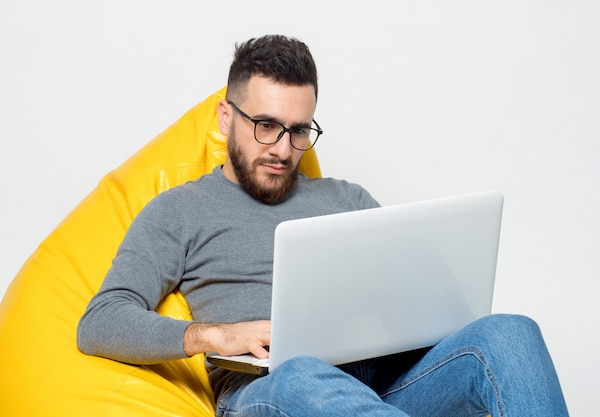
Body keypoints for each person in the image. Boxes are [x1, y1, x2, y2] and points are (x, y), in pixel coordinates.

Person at [77, 34, 569, 417]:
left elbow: (427, 298)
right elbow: (100, 322)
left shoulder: (346, 198)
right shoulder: (179, 210)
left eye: (298, 131)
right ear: (226, 118)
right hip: (269, 393)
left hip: (379, 386)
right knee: (300, 373)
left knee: (509, 333)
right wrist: (215, 336)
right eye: (265, 126)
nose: (282, 149)